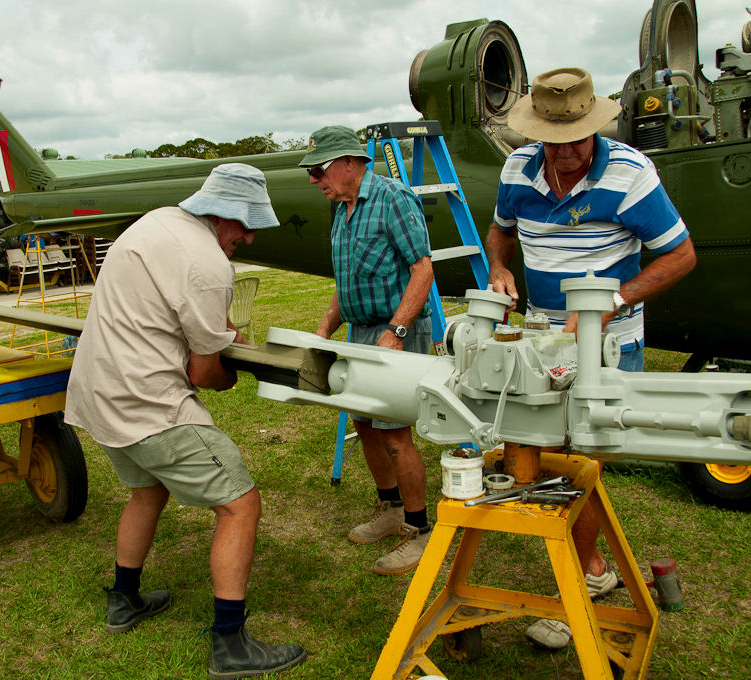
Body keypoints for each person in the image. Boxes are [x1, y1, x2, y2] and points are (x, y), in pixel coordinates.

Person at [64, 163, 306, 679]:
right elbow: (204, 370)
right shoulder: (209, 266)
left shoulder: (156, 223)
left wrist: (221, 335)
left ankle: (124, 599)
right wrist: (226, 373)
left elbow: (184, 316)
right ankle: (230, 643)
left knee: (147, 490)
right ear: (220, 215)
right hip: (146, 402)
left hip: (98, 390)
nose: (250, 235)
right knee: (240, 505)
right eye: (244, 223)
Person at [486, 67, 697, 649]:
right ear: (538, 137)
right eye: (558, 143)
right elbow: (501, 230)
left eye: (581, 139)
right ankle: (593, 569)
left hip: (608, 337)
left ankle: (585, 576)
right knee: (550, 454)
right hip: (540, 334)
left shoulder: (630, 171)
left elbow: (680, 255)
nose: (571, 154)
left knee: (582, 457)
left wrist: (610, 302)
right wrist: (500, 268)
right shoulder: (516, 169)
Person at [299, 126, 435, 576]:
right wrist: (323, 330)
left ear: (349, 163)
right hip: (361, 330)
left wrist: (397, 330)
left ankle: (419, 531)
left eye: (319, 171)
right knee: (363, 422)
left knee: (395, 432)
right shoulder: (342, 209)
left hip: (396, 329)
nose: (314, 180)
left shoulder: (393, 198)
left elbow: (422, 270)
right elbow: (348, 282)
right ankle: (391, 508)